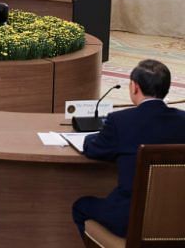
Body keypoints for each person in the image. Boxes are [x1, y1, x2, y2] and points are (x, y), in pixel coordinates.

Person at [72, 59, 185, 238]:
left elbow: (94, 149)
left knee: (81, 207)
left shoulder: (120, 121)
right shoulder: (183, 120)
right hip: (178, 217)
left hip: (129, 218)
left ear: (134, 87)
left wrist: (91, 136)